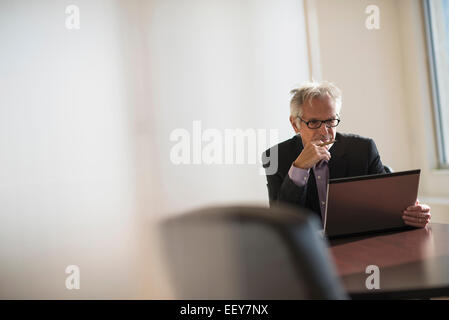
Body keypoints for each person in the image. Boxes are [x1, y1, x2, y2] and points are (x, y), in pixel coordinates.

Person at [262, 81, 431, 228]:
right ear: (295, 124)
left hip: (358, 246)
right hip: (307, 253)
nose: (324, 131)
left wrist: (413, 214)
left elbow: (389, 208)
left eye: (330, 121)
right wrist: (299, 168)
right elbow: (281, 223)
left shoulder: (363, 150)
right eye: (314, 122)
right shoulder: (275, 157)